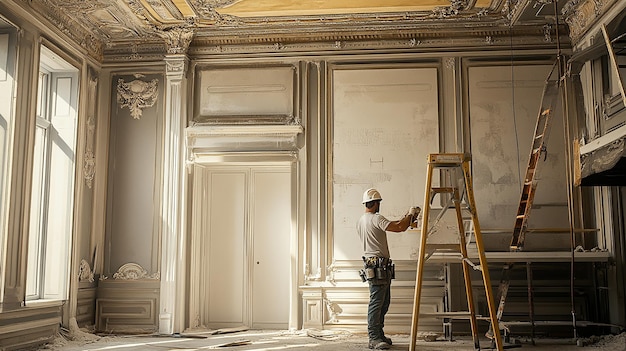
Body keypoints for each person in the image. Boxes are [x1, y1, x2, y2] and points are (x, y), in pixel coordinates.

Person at [356, 188, 419, 350]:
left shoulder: (361, 220)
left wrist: (406, 218)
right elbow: (399, 227)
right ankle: (374, 337)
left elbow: (396, 225)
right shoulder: (376, 218)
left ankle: (379, 334)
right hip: (377, 265)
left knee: (384, 302)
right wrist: (410, 215)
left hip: (376, 264)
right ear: (376, 203)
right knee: (377, 302)